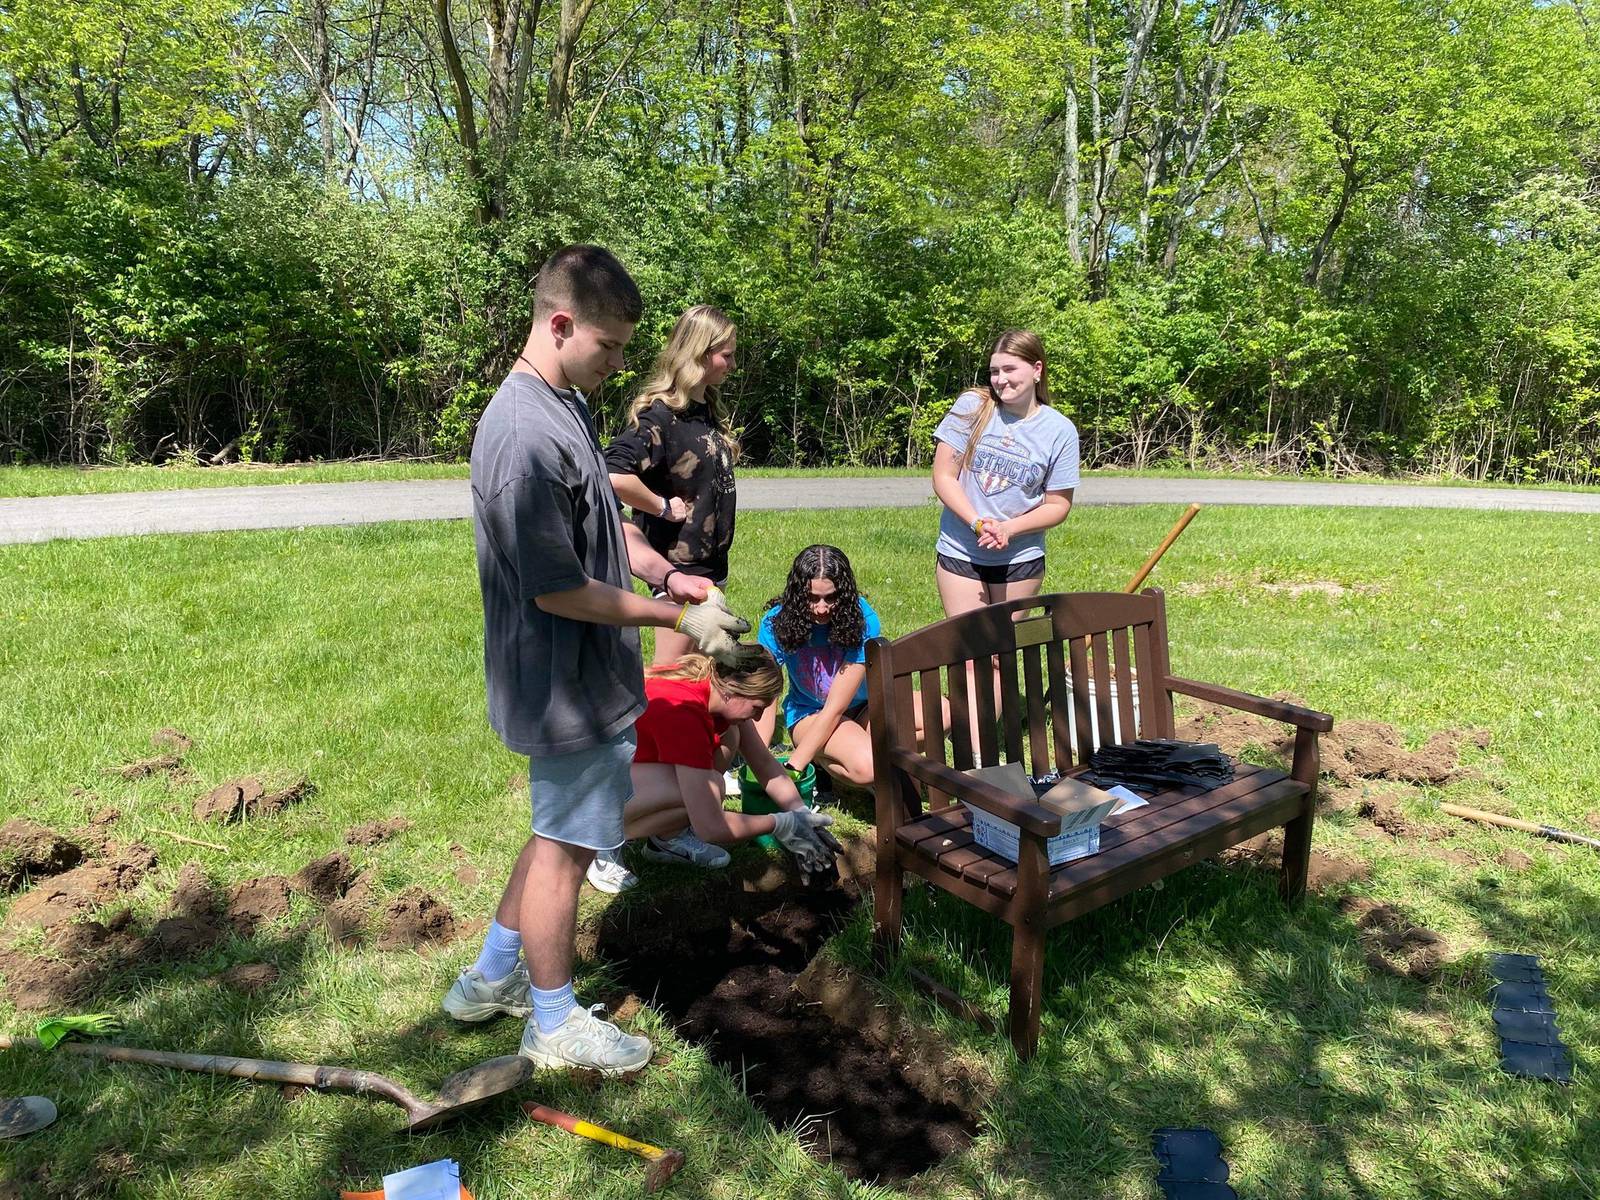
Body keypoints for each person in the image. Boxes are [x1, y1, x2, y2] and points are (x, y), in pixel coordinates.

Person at [441, 245, 748, 1078]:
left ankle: (489, 979)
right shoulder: (521, 434)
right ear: (560, 321)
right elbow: (558, 590)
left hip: (589, 675)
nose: (621, 365)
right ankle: (551, 1021)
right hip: (561, 683)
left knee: (555, 836)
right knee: (565, 851)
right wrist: (675, 613)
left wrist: (668, 570)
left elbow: (604, 527)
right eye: (609, 346)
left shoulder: (565, 403)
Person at [614, 646, 838, 885]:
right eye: (757, 708)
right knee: (711, 790)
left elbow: (763, 763)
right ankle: (599, 844)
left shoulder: (717, 691)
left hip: (632, 775)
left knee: (728, 740)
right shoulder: (685, 712)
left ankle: (668, 839)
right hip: (593, 796)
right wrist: (781, 824)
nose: (759, 718)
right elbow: (711, 827)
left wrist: (800, 813)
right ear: (734, 690)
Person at [604, 305, 740, 666]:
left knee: (702, 680)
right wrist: (660, 506)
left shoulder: (705, 410)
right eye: (727, 355)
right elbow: (613, 474)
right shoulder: (660, 417)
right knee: (673, 679)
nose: (733, 365)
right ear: (700, 352)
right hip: (677, 574)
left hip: (711, 568)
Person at [930, 329, 1079, 617]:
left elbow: (1058, 505)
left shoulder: (1060, 431)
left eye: (1009, 369)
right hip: (961, 550)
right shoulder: (972, 406)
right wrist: (977, 524)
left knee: (1001, 656)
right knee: (970, 654)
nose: (1000, 379)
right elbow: (943, 477)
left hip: (1020, 559)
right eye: (994, 371)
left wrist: (1008, 528)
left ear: (1037, 369)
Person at [753, 545, 885, 790]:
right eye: (812, 598)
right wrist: (759, 761)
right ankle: (831, 758)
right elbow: (765, 698)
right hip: (809, 713)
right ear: (797, 593)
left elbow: (837, 706)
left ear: (843, 594)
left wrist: (793, 766)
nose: (821, 608)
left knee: (942, 713)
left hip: (862, 707)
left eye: (830, 597)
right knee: (871, 767)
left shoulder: (862, 619)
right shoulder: (776, 623)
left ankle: (842, 753)